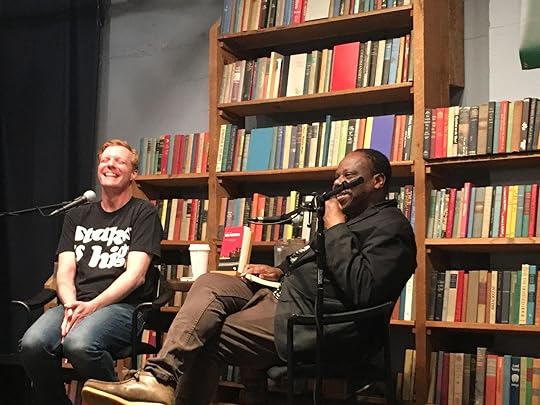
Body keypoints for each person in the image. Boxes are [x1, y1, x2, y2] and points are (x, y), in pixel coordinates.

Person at [82, 148, 416, 405]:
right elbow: (318, 263)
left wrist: (336, 228)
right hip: (283, 295)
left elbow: (363, 289)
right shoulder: (351, 220)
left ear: (378, 181)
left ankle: (161, 386)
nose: (338, 183)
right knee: (210, 281)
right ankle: (158, 379)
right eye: (337, 176)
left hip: (316, 321)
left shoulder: (391, 228)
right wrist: (280, 271)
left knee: (209, 336)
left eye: (349, 176)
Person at [20, 139, 163, 405]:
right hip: (76, 304)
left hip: (122, 308)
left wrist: (92, 306)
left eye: (119, 161)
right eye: (105, 160)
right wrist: (70, 304)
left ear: (133, 173)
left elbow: (136, 276)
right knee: (32, 345)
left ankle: (114, 401)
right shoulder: (77, 216)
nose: (110, 165)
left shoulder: (143, 213)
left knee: (79, 344)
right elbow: (64, 272)